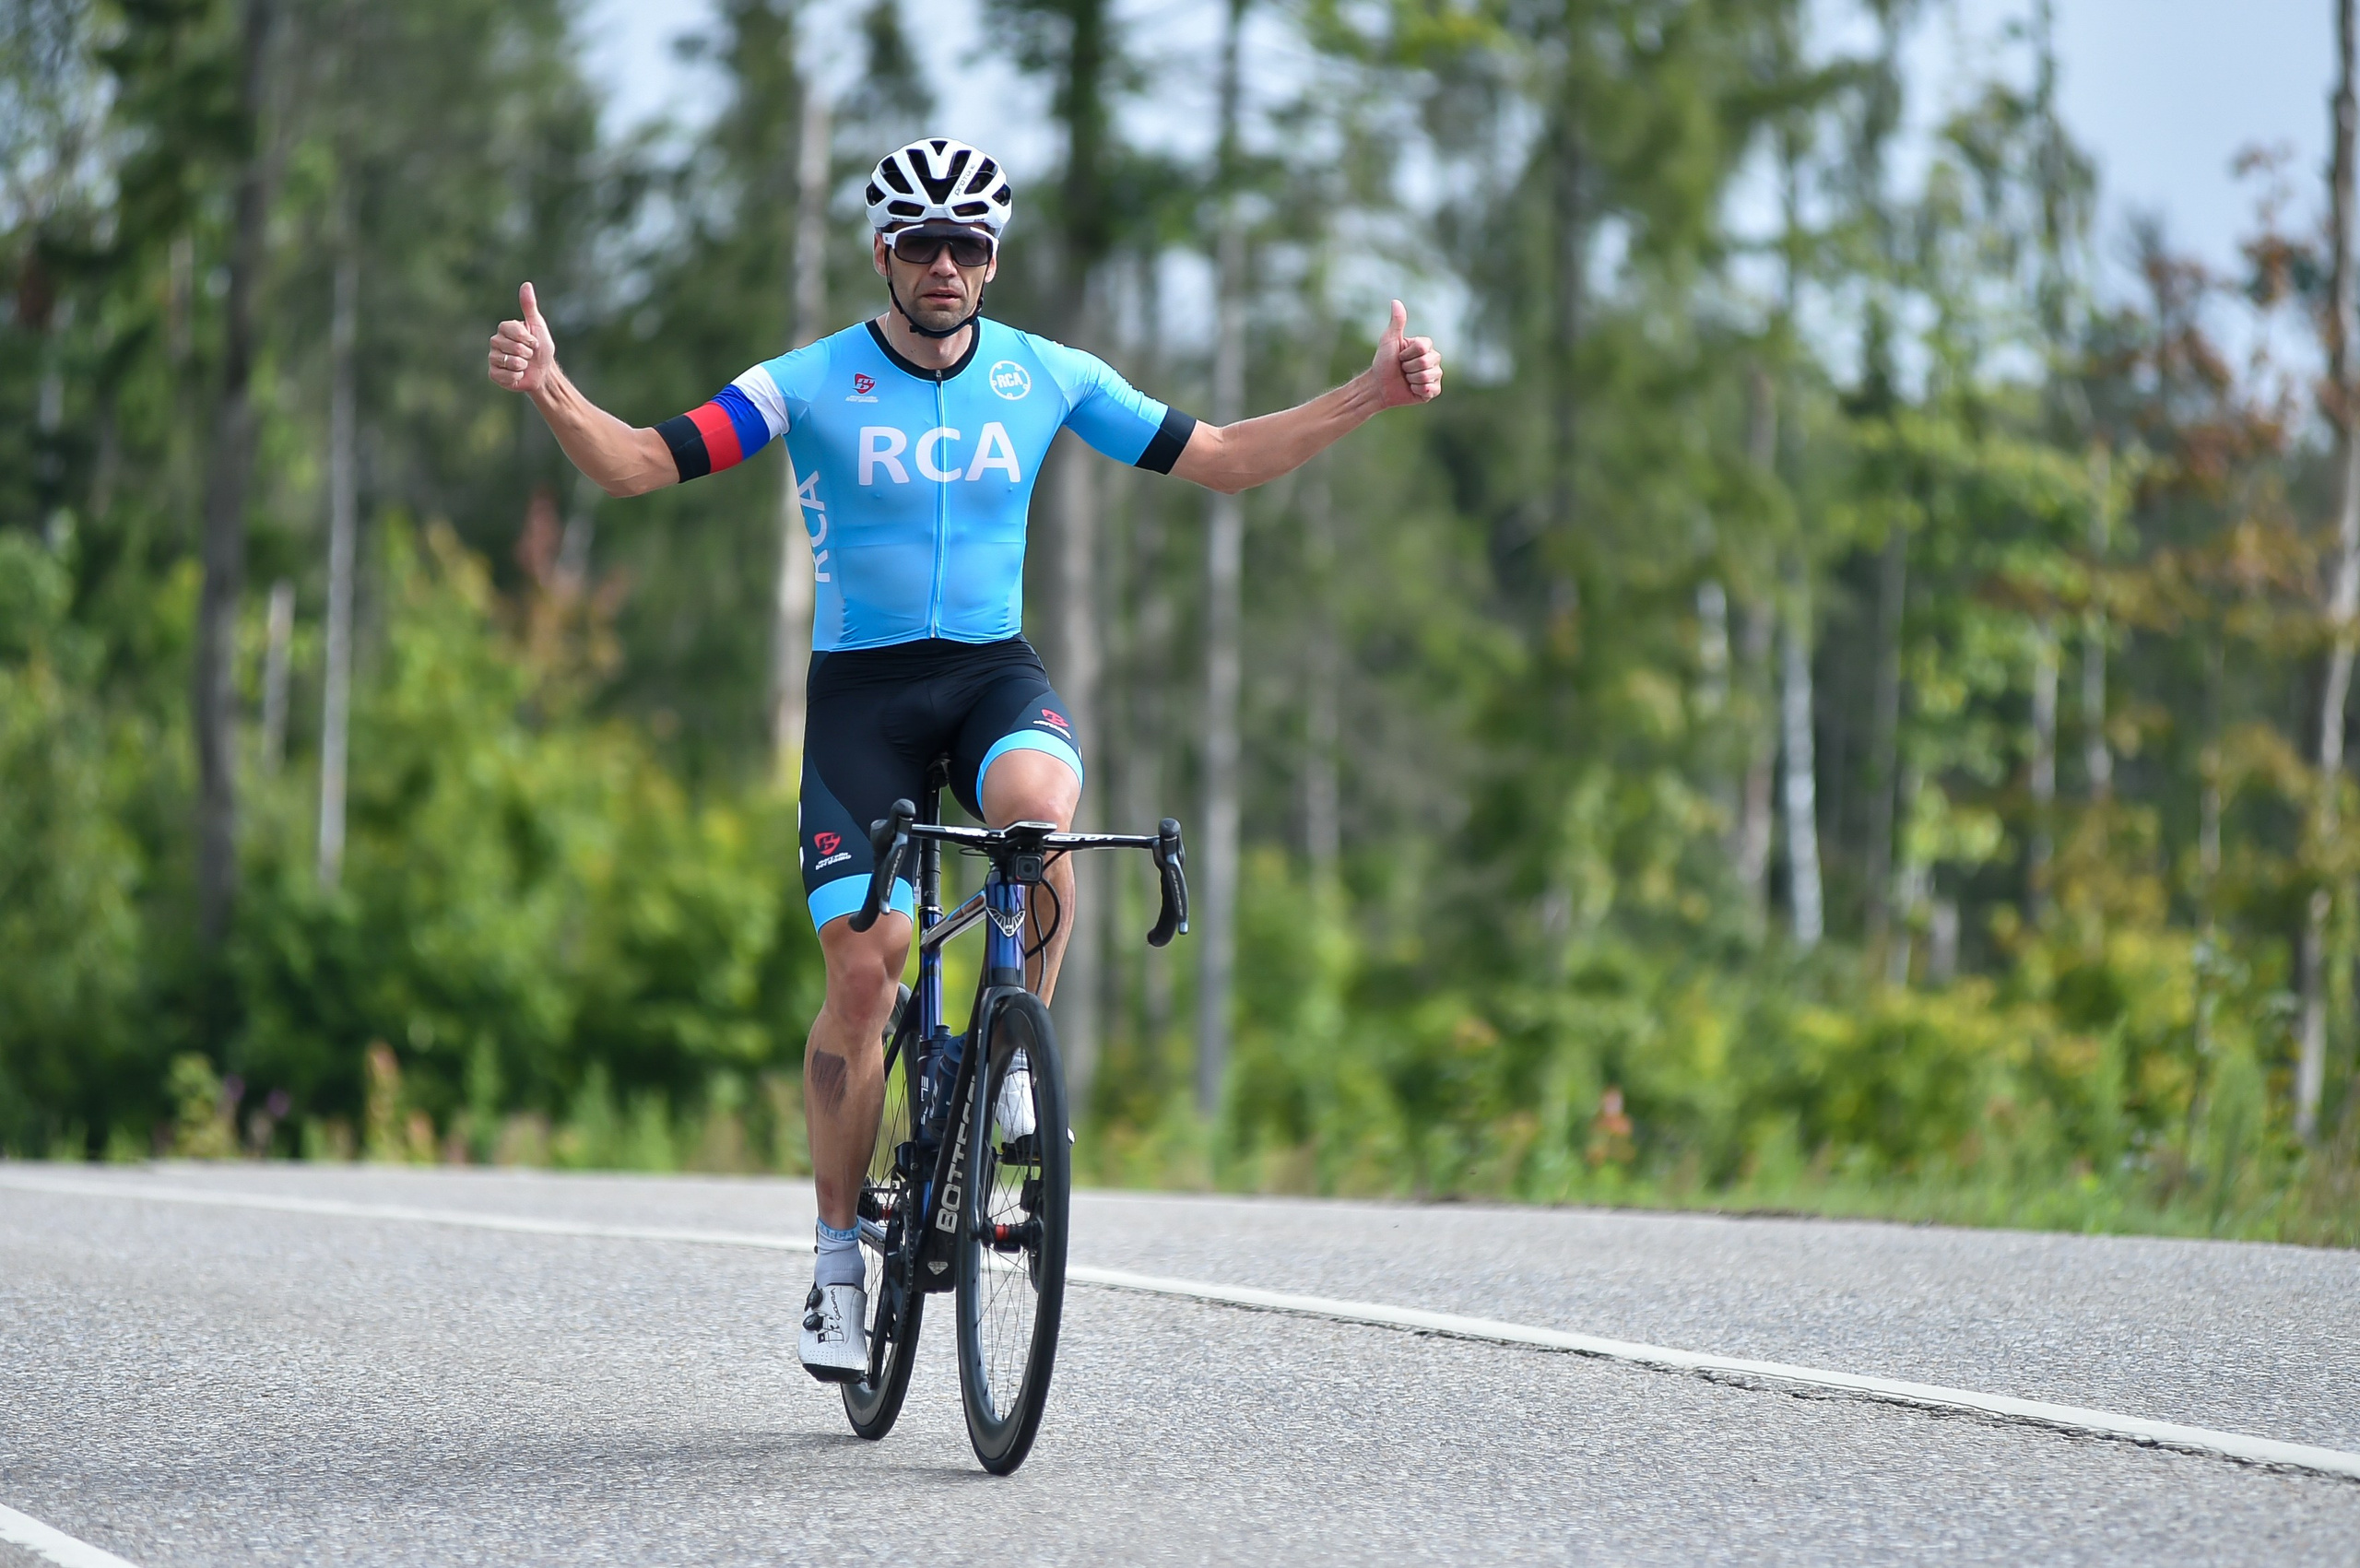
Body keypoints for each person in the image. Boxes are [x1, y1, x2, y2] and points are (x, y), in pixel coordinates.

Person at [487, 137, 1443, 1382]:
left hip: (992, 670)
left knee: (1043, 819)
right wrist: (555, 388)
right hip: (863, 700)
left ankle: (1009, 1062)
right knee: (868, 968)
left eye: (969, 245)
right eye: (922, 243)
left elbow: (1217, 456)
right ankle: (837, 1260)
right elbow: (641, 462)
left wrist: (1367, 394)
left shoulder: (1043, 374)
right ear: (883, 253)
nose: (946, 265)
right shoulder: (813, 381)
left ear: (992, 260)